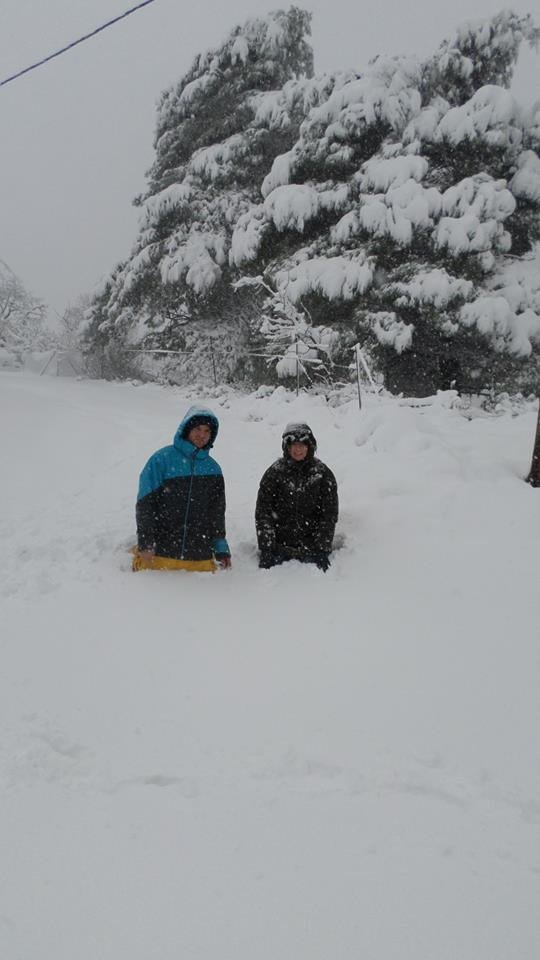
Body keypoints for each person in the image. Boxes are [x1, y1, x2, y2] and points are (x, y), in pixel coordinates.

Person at [132, 405, 231, 572]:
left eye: (207, 431)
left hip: (199, 558)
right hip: (159, 554)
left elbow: (216, 513)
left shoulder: (214, 469)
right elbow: (145, 505)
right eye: (198, 428)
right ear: (186, 429)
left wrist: (221, 547)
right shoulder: (161, 460)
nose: (202, 435)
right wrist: (146, 543)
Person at [255, 422, 338, 572]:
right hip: (279, 549)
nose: (297, 449)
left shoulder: (322, 474)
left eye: (302, 445)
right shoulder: (274, 473)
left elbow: (329, 514)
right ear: (286, 447)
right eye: (293, 445)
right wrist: (267, 548)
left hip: (311, 549)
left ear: (310, 446)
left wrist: (322, 548)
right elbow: (263, 512)